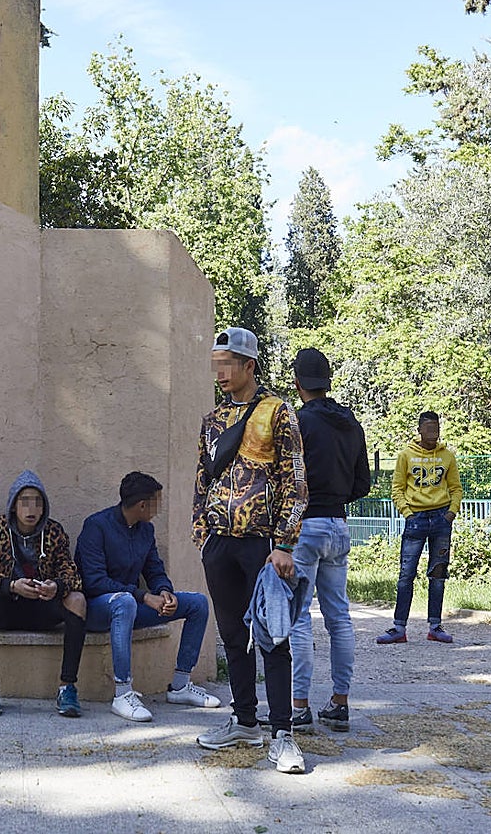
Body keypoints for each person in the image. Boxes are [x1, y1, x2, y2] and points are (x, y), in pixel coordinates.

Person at [192, 327, 308, 775]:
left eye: (227, 364)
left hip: (264, 547)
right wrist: (200, 528)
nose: (219, 372)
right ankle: (244, 721)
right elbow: (202, 478)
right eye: (216, 364)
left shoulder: (278, 412)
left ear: (249, 366)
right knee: (233, 637)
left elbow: (296, 482)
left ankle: (283, 734)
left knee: (273, 637)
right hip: (219, 544)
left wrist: (284, 543)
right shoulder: (213, 419)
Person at [76, 471, 218, 723]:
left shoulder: (146, 531)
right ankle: (122, 693)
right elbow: (94, 581)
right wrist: (143, 596)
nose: (158, 509)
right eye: (156, 502)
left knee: (198, 603)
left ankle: (180, 686)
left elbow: (154, 569)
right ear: (142, 505)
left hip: (131, 607)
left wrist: (164, 591)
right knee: (124, 601)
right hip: (97, 609)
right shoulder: (96, 526)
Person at [280, 348, 370, 734]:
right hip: (339, 525)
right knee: (339, 617)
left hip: (306, 526)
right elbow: (362, 483)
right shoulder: (352, 424)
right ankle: (340, 702)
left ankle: (299, 706)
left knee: (299, 617)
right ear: (328, 381)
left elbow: (287, 481)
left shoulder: (299, 424)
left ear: (298, 383)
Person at [0, 470, 87, 717]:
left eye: (37, 501)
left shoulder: (54, 532)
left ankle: (68, 687)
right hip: (7, 608)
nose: (31, 508)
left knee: (77, 600)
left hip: (42, 608)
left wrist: (55, 586)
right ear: (13, 506)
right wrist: (11, 586)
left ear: (44, 508)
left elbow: (72, 576)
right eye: (25, 501)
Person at [377, 411, 463, 645]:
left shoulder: (447, 456)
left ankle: (435, 626)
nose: (432, 432)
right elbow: (397, 488)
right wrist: (407, 512)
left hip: (441, 519)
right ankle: (399, 628)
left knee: (438, 573)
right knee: (406, 574)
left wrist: (450, 514)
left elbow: (456, 487)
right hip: (415, 519)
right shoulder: (406, 455)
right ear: (419, 430)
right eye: (428, 428)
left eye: (436, 427)